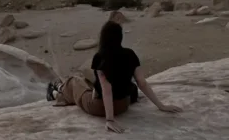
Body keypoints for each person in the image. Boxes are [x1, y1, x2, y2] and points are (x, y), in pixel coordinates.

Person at [49, 19, 181, 132]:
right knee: (87, 82)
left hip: (100, 108)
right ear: (120, 37)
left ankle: (58, 91)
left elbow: (107, 90)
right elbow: (142, 82)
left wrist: (110, 120)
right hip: (124, 104)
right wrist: (161, 106)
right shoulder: (130, 54)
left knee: (75, 82)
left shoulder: (100, 57)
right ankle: (59, 94)